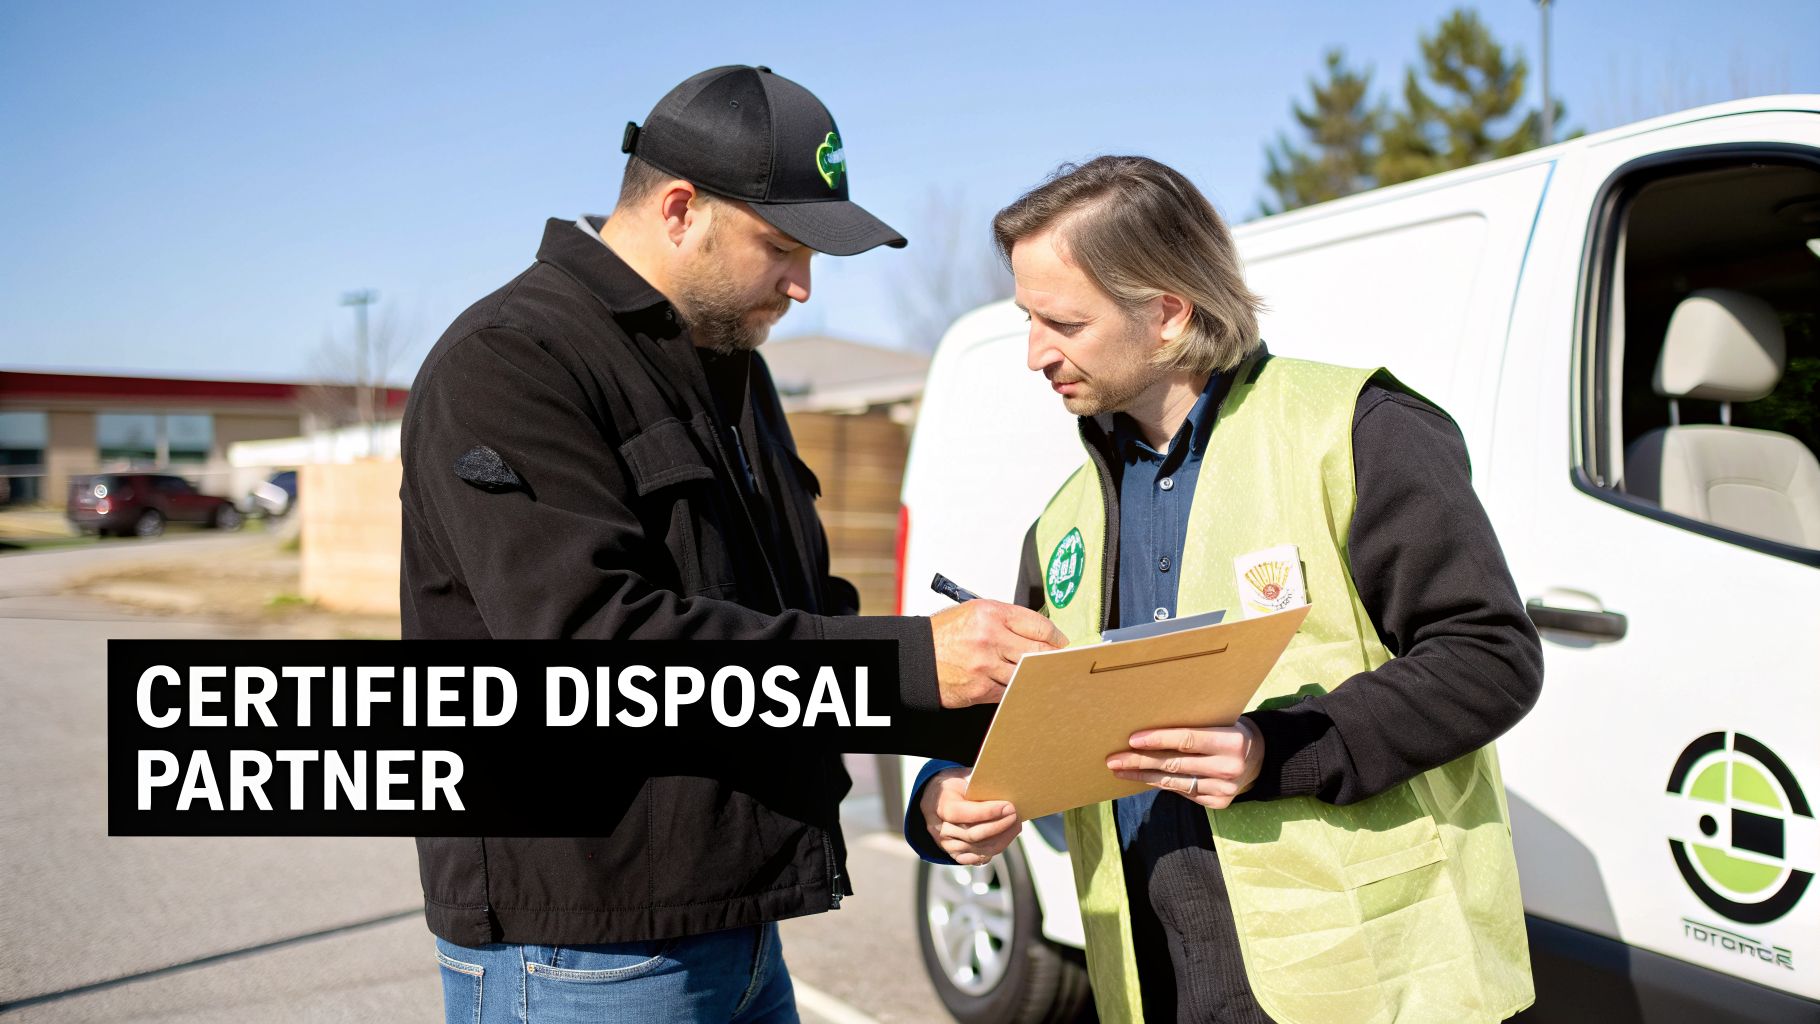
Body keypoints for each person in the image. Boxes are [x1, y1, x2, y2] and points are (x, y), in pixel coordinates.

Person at [401, 66, 1061, 1023]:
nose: (802, 285)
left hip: (737, 930)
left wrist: (938, 771)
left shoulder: (729, 371)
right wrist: (918, 659)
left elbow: (800, 618)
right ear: (679, 209)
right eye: (783, 247)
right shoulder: (512, 360)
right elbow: (597, 650)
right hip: (585, 951)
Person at [909, 156, 1543, 1023]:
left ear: (1168, 313)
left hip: (1362, 979)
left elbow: (1490, 658)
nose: (1033, 354)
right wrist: (940, 793)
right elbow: (1010, 719)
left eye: (1061, 321)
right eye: (1027, 318)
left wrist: (1274, 750)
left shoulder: (1360, 430)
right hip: (1151, 980)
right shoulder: (1062, 524)